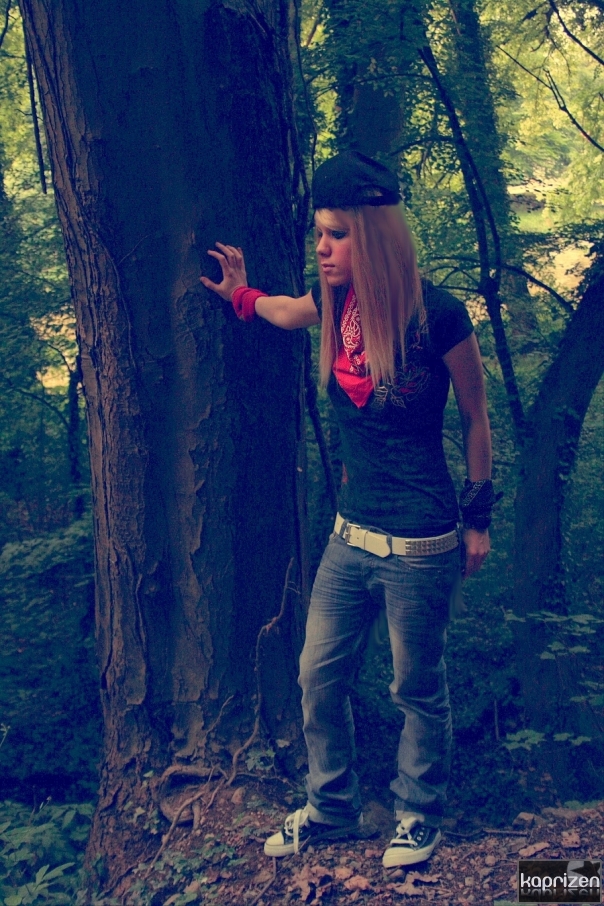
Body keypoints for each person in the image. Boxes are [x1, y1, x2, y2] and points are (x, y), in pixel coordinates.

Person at [201, 151, 494, 868]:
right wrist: (241, 294)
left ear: (375, 236)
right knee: (317, 676)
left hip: (420, 542)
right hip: (349, 535)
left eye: (337, 235)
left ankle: (418, 814)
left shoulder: (439, 316)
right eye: (319, 235)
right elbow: (282, 311)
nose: (323, 249)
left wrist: (479, 519)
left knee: (415, 688)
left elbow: (476, 418)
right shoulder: (336, 302)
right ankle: (332, 809)